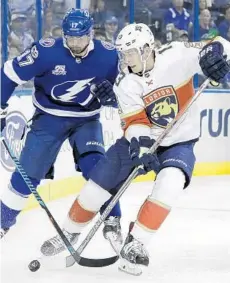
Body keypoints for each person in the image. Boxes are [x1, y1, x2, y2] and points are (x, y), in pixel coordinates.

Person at [39, 23, 230, 275]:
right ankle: (70, 231)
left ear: (147, 49)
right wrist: (141, 149)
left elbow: (219, 44)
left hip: (179, 142)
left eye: (129, 52)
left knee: (170, 184)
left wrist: (214, 57)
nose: (124, 58)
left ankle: (136, 243)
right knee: (96, 186)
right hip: (139, 142)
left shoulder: (176, 54)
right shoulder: (125, 80)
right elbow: (135, 122)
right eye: (122, 53)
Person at [0, 8, 122, 254]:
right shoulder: (45, 51)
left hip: (87, 120)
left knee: (97, 169)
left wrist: (113, 96)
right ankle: (2, 223)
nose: (75, 43)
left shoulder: (110, 56)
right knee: (27, 175)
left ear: (91, 34)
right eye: (70, 37)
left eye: (80, 37)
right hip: (49, 118)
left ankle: (113, 220)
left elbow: (130, 88)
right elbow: (8, 73)